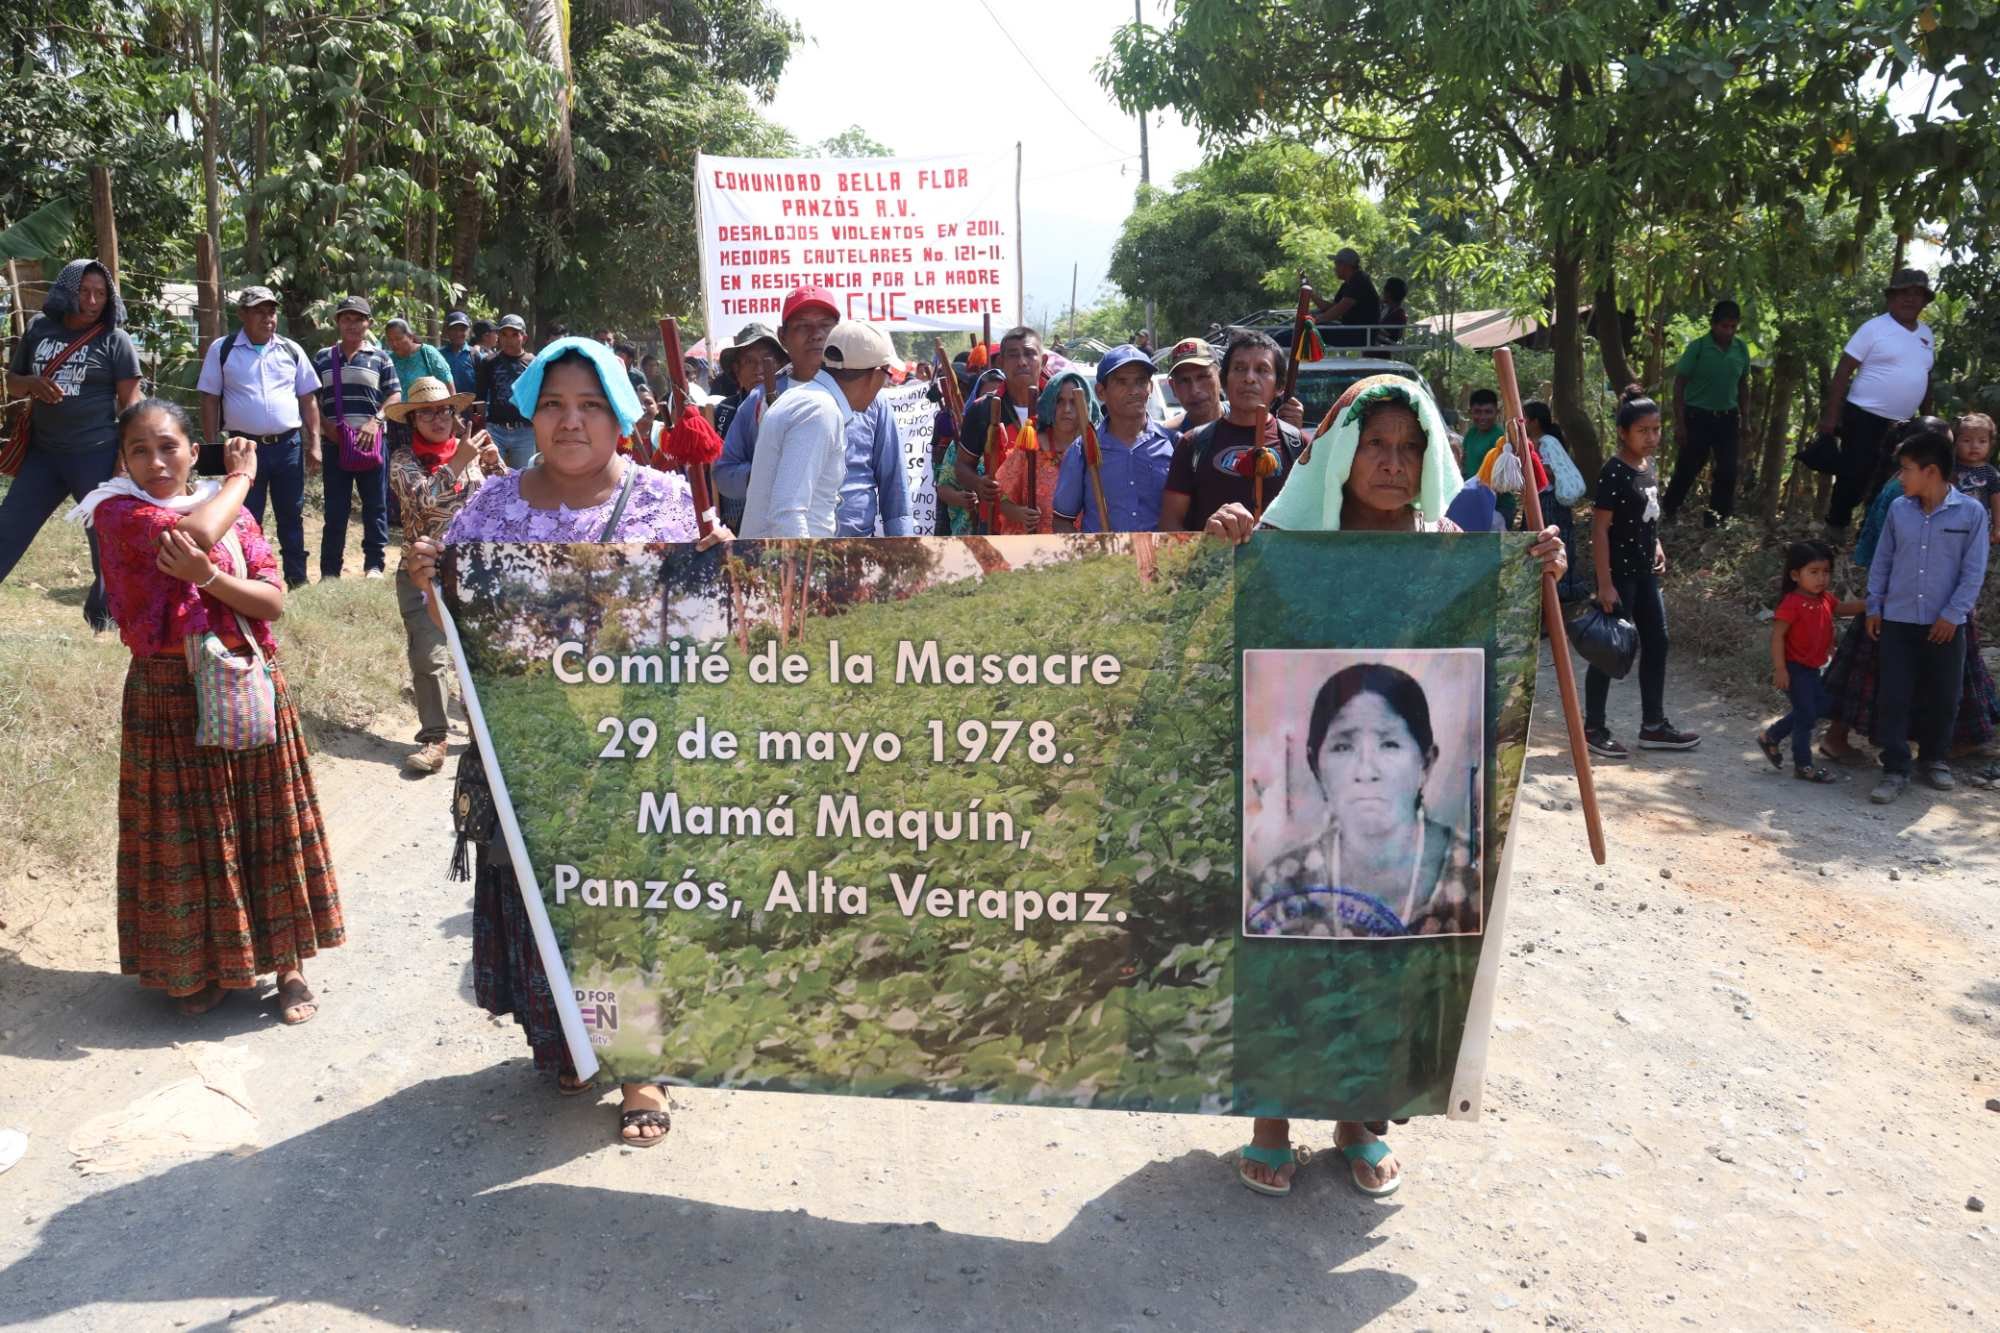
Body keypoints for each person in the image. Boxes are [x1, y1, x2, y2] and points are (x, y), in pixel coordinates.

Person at [1203, 374, 1566, 1199]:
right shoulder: (1286, 542)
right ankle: (1271, 1118)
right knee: (1289, 942)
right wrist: (1228, 542)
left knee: (1397, 949)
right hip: (1314, 802)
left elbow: (1491, 628)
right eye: (1376, 445)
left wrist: (1540, 567)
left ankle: (1360, 1118)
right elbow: (1229, 624)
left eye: (1410, 448)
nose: (1394, 463)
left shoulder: (1448, 545)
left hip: (1403, 813)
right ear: (1342, 454)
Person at [406, 337, 730, 1147]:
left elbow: (698, 626)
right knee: (547, 889)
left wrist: (717, 566)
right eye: (553, 404)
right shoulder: (490, 507)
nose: (571, 420)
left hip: (633, 738)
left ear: (620, 415)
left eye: (590, 404)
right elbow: (463, 624)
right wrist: (429, 579)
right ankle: (573, 1043)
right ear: (529, 411)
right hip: (532, 738)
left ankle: (640, 1067)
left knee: (626, 893)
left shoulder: (666, 501)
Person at [69, 400, 341, 1022]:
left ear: (195, 452)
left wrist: (211, 578)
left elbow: (271, 601)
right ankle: (204, 967)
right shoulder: (117, 511)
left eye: (169, 447)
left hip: (247, 678)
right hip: (167, 691)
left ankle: (288, 967)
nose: (156, 462)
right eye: (140, 451)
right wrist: (241, 477)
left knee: (266, 823)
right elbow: (192, 538)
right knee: (187, 833)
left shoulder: (233, 513)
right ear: (123, 462)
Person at [1245, 663, 1479, 939]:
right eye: (1343, 747)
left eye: (1389, 744)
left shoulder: (1476, 873)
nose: (1366, 771)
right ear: (1316, 766)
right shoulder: (1282, 887)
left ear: (1425, 763)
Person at [0, 258, 142, 630]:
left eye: (100, 294)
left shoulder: (115, 339)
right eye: (84, 292)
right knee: (8, 527)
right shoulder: (39, 328)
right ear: (66, 290)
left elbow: (131, 404)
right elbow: (13, 382)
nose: (92, 301)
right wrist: (31, 384)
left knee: (105, 540)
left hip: (96, 455)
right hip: (44, 455)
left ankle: (105, 619)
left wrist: (124, 460)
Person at [716, 289, 911, 538]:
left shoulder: (812, 400)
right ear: (875, 375)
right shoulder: (817, 410)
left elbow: (894, 487)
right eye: (803, 326)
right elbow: (787, 514)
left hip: (836, 548)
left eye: (825, 325)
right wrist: (806, 564)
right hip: (801, 554)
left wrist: (905, 548)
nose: (816, 335)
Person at [1866, 423, 1990, 803]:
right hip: (1898, 619)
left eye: (1906, 469)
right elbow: (1882, 560)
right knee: (1894, 695)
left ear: (1930, 471)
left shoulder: (1971, 513)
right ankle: (1895, 767)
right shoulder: (1899, 510)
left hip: (1946, 624)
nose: (1900, 477)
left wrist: (1952, 614)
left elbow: (1974, 571)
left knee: (1944, 695)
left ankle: (1934, 759)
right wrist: (1874, 605)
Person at [385, 376, 501, 774]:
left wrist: (493, 463)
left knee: (478, 654)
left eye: (444, 411)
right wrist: (459, 462)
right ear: (412, 420)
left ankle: (483, 734)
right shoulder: (403, 460)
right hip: (421, 571)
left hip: (473, 569)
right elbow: (421, 500)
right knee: (428, 654)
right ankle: (434, 738)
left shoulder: (472, 450)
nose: (438, 419)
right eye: (427, 413)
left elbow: (505, 500)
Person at [1584, 387, 1700, 759]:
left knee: (1658, 642)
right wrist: (1605, 584)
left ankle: (1653, 726)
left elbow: (1647, 516)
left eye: (1656, 429)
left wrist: (1658, 544)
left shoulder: (1648, 467)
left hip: (1646, 572)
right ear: (1623, 432)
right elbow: (1600, 529)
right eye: (1643, 431)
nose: (1651, 437)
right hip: (1619, 576)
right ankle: (1593, 729)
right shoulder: (1613, 472)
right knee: (1609, 650)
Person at [195, 286, 322, 590]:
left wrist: (315, 443)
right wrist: (213, 448)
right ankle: (251, 578)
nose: (268, 318)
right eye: (259, 312)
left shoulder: (291, 350)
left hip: (288, 446)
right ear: (242, 314)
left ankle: (297, 577)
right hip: (243, 448)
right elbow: (210, 399)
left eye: (271, 312)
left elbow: (308, 399)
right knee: (245, 515)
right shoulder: (223, 350)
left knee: (291, 512)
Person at [1817, 269, 1937, 531]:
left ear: (1924, 301)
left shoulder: (1927, 334)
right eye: (1904, 293)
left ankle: (1870, 533)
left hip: (1903, 424)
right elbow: (1844, 370)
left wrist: (1927, 421)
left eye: (1917, 294)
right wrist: (1831, 415)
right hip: (1864, 416)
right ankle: (1835, 527)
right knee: (1854, 475)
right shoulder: (1874, 328)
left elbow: (1926, 378)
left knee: (1892, 480)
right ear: (1891, 298)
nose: (1910, 299)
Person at [1160, 331, 1306, 531]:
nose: (1249, 378)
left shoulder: (1300, 446)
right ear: (1224, 380)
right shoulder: (1191, 444)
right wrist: (1208, 541)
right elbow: (1170, 525)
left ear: (1279, 385)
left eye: (1262, 369)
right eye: (1239, 368)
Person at [1756, 541, 1866, 783]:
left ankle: (1771, 736)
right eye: (1813, 572)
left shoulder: (1825, 599)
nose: (1821, 578)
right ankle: (1803, 765)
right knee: (1806, 716)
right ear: (1795, 575)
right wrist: (1780, 669)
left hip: (1813, 669)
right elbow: (1777, 637)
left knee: (1821, 706)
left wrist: (1872, 604)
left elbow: (1843, 608)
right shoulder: (1791, 603)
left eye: (1826, 572)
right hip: (1795, 669)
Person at [311, 295, 399, 580]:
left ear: (368, 323)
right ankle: (329, 572)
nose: (352, 324)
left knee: (375, 506)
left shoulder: (381, 357)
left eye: (358, 319)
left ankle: (374, 565)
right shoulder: (323, 358)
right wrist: (325, 426)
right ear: (338, 322)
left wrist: (376, 421)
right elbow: (309, 398)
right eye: (346, 319)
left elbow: (395, 394)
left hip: (371, 443)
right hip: (335, 444)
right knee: (336, 510)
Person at [1051, 344, 1174, 533]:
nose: (1134, 391)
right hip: (1102, 553)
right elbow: (1062, 522)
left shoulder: (1174, 444)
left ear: (1150, 387)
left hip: (1162, 553)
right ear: (1101, 392)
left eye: (1141, 381)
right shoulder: (1083, 450)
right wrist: (1092, 552)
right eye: (1122, 382)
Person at [1664, 300, 1751, 527]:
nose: (1728, 331)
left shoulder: (1740, 349)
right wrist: (1680, 423)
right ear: (1714, 324)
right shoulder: (1698, 348)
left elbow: (1743, 384)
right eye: (1724, 326)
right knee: (1688, 468)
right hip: (1698, 417)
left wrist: (1745, 419)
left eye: (1733, 327)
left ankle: (1716, 518)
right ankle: (1669, 509)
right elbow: (1679, 385)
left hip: (1728, 418)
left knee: (1728, 470)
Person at [954, 325, 1050, 530]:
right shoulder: (983, 409)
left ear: (1043, 361)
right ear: (1001, 363)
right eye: (1013, 355)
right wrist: (979, 484)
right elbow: (962, 466)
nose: (1022, 361)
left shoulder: (1060, 407)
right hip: (995, 526)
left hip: (1049, 526)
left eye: (1029, 354)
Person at [991, 368, 1095, 534]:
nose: (1067, 409)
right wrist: (1020, 513)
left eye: (1074, 401)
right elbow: (1001, 498)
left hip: (1080, 545)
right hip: (1033, 545)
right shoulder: (1031, 447)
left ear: (1085, 406)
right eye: (1060, 401)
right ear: (1049, 404)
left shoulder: (1094, 449)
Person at [712, 323, 785, 525]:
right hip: (735, 525)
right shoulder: (722, 413)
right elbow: (719, 474)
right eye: (749, 361)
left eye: (767, 361)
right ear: (737, 370)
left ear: (781, 364)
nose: (759, 370)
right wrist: (757, 475)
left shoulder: (795, 404)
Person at [476, 314, 537, 470]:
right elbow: (480, 397)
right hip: (495, 430)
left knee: (522, 477)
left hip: (525, 431)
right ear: (498, 337)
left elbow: (538, 397)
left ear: (524, 337)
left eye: (514, 334)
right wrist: (480, 428)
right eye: (504, 334)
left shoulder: (533, 363)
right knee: (493, 476)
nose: (508, 339)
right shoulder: (489, 362)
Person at [1313, 247, 1381, 348]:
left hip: (1361, 335)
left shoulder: (1359, 280)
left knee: (1311, 331)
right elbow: (1330, 308)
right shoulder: (1348, 283)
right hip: (1352, 330)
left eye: (1336, 264)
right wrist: (1310, 292)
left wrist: (1314, 321)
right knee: (1313, 328)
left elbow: (1338, 310)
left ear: (1345, 265)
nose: (1334, 268)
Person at [1952, 412, 2000, 540]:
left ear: (1990, 444)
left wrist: (1997, 527)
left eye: (1982, 441)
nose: (1975, 446)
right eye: (1967, 440)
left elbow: (1996, 501)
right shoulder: (1949, 468)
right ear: (1955, 442)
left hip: (1980, 529)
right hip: (1951, 527)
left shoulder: (1990, 472)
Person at [1162, 337, 1223, 435]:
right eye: (1184, 381)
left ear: (1220, 377)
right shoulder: (1168, 439)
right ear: (1173, 387)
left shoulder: (1247, 420)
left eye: (1202, 377)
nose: (1194, 390)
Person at [1459, 388, 1501, 482]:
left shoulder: (1500, 437)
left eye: (1488, 412)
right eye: (1477, 412)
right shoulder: (1471, 433)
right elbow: (1464, 462)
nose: (1482, 417)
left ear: (1497, 412)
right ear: (1470, 412)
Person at [439, 311, 478, 394]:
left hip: (471, 402)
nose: (458, 333)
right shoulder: (438, 355)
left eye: (462, 330)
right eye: (454, 329)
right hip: (445, 401)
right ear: (447, 331)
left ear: (468, 332)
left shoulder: (475, 355)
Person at [1379, 278, 1409, 344]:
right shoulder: (1383, 308)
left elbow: (1393, 336)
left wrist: (1375, 328)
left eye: (1384, 291)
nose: (1382, 293)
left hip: (1383, 348)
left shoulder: (1399, 314)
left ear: (1388, 293)